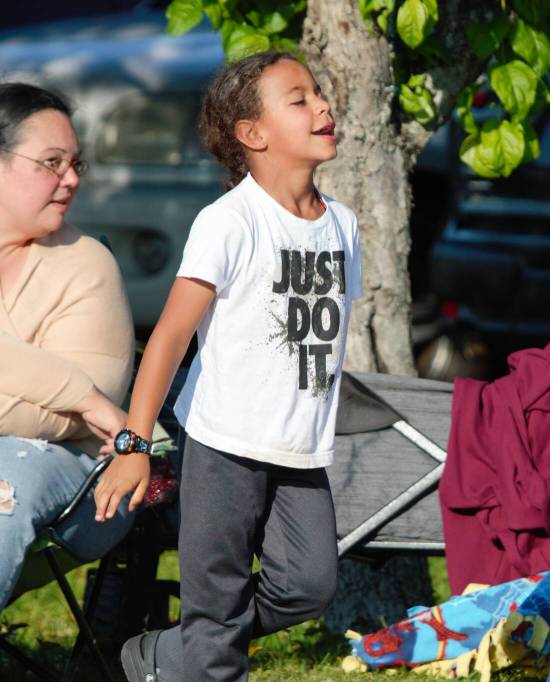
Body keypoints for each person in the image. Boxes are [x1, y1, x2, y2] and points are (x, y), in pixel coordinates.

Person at [93, 51, 362, 681]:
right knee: (214, 604)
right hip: (223, 444)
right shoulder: (229, 222)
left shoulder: (344, 226)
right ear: (253, 134)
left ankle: (166, 653)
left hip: (300, 449)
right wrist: (134, 442)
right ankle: (202, 651)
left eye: (319, 92)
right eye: (299, 99)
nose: (322, 105)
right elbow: (167, 339)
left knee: (309, 585)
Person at [0, 82, 134, 611]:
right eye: (52, 162)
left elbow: (81, 421)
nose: (72, 179)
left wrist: (80, 399)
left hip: (76, 477)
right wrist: (71, 393)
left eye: (76, 163)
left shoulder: (86, 263)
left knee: (8, 477)